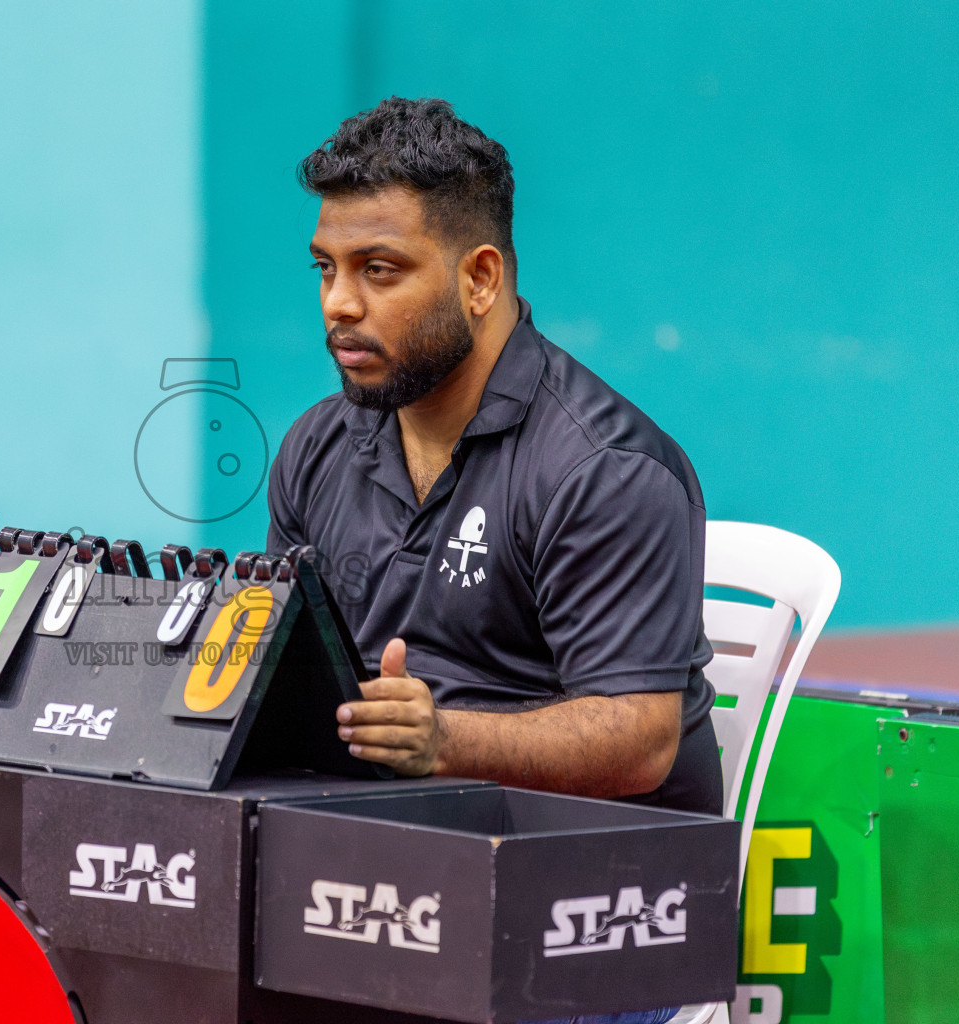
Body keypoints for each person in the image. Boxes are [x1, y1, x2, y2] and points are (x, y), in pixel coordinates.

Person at [267, 97, 721, 820]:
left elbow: (640, 742)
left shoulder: (604, 469)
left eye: (378, 270)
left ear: (479, 280)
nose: (338, 304)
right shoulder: (315, 447)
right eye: (327, 269)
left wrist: (443, 739)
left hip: (583, 871)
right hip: (385, 830)